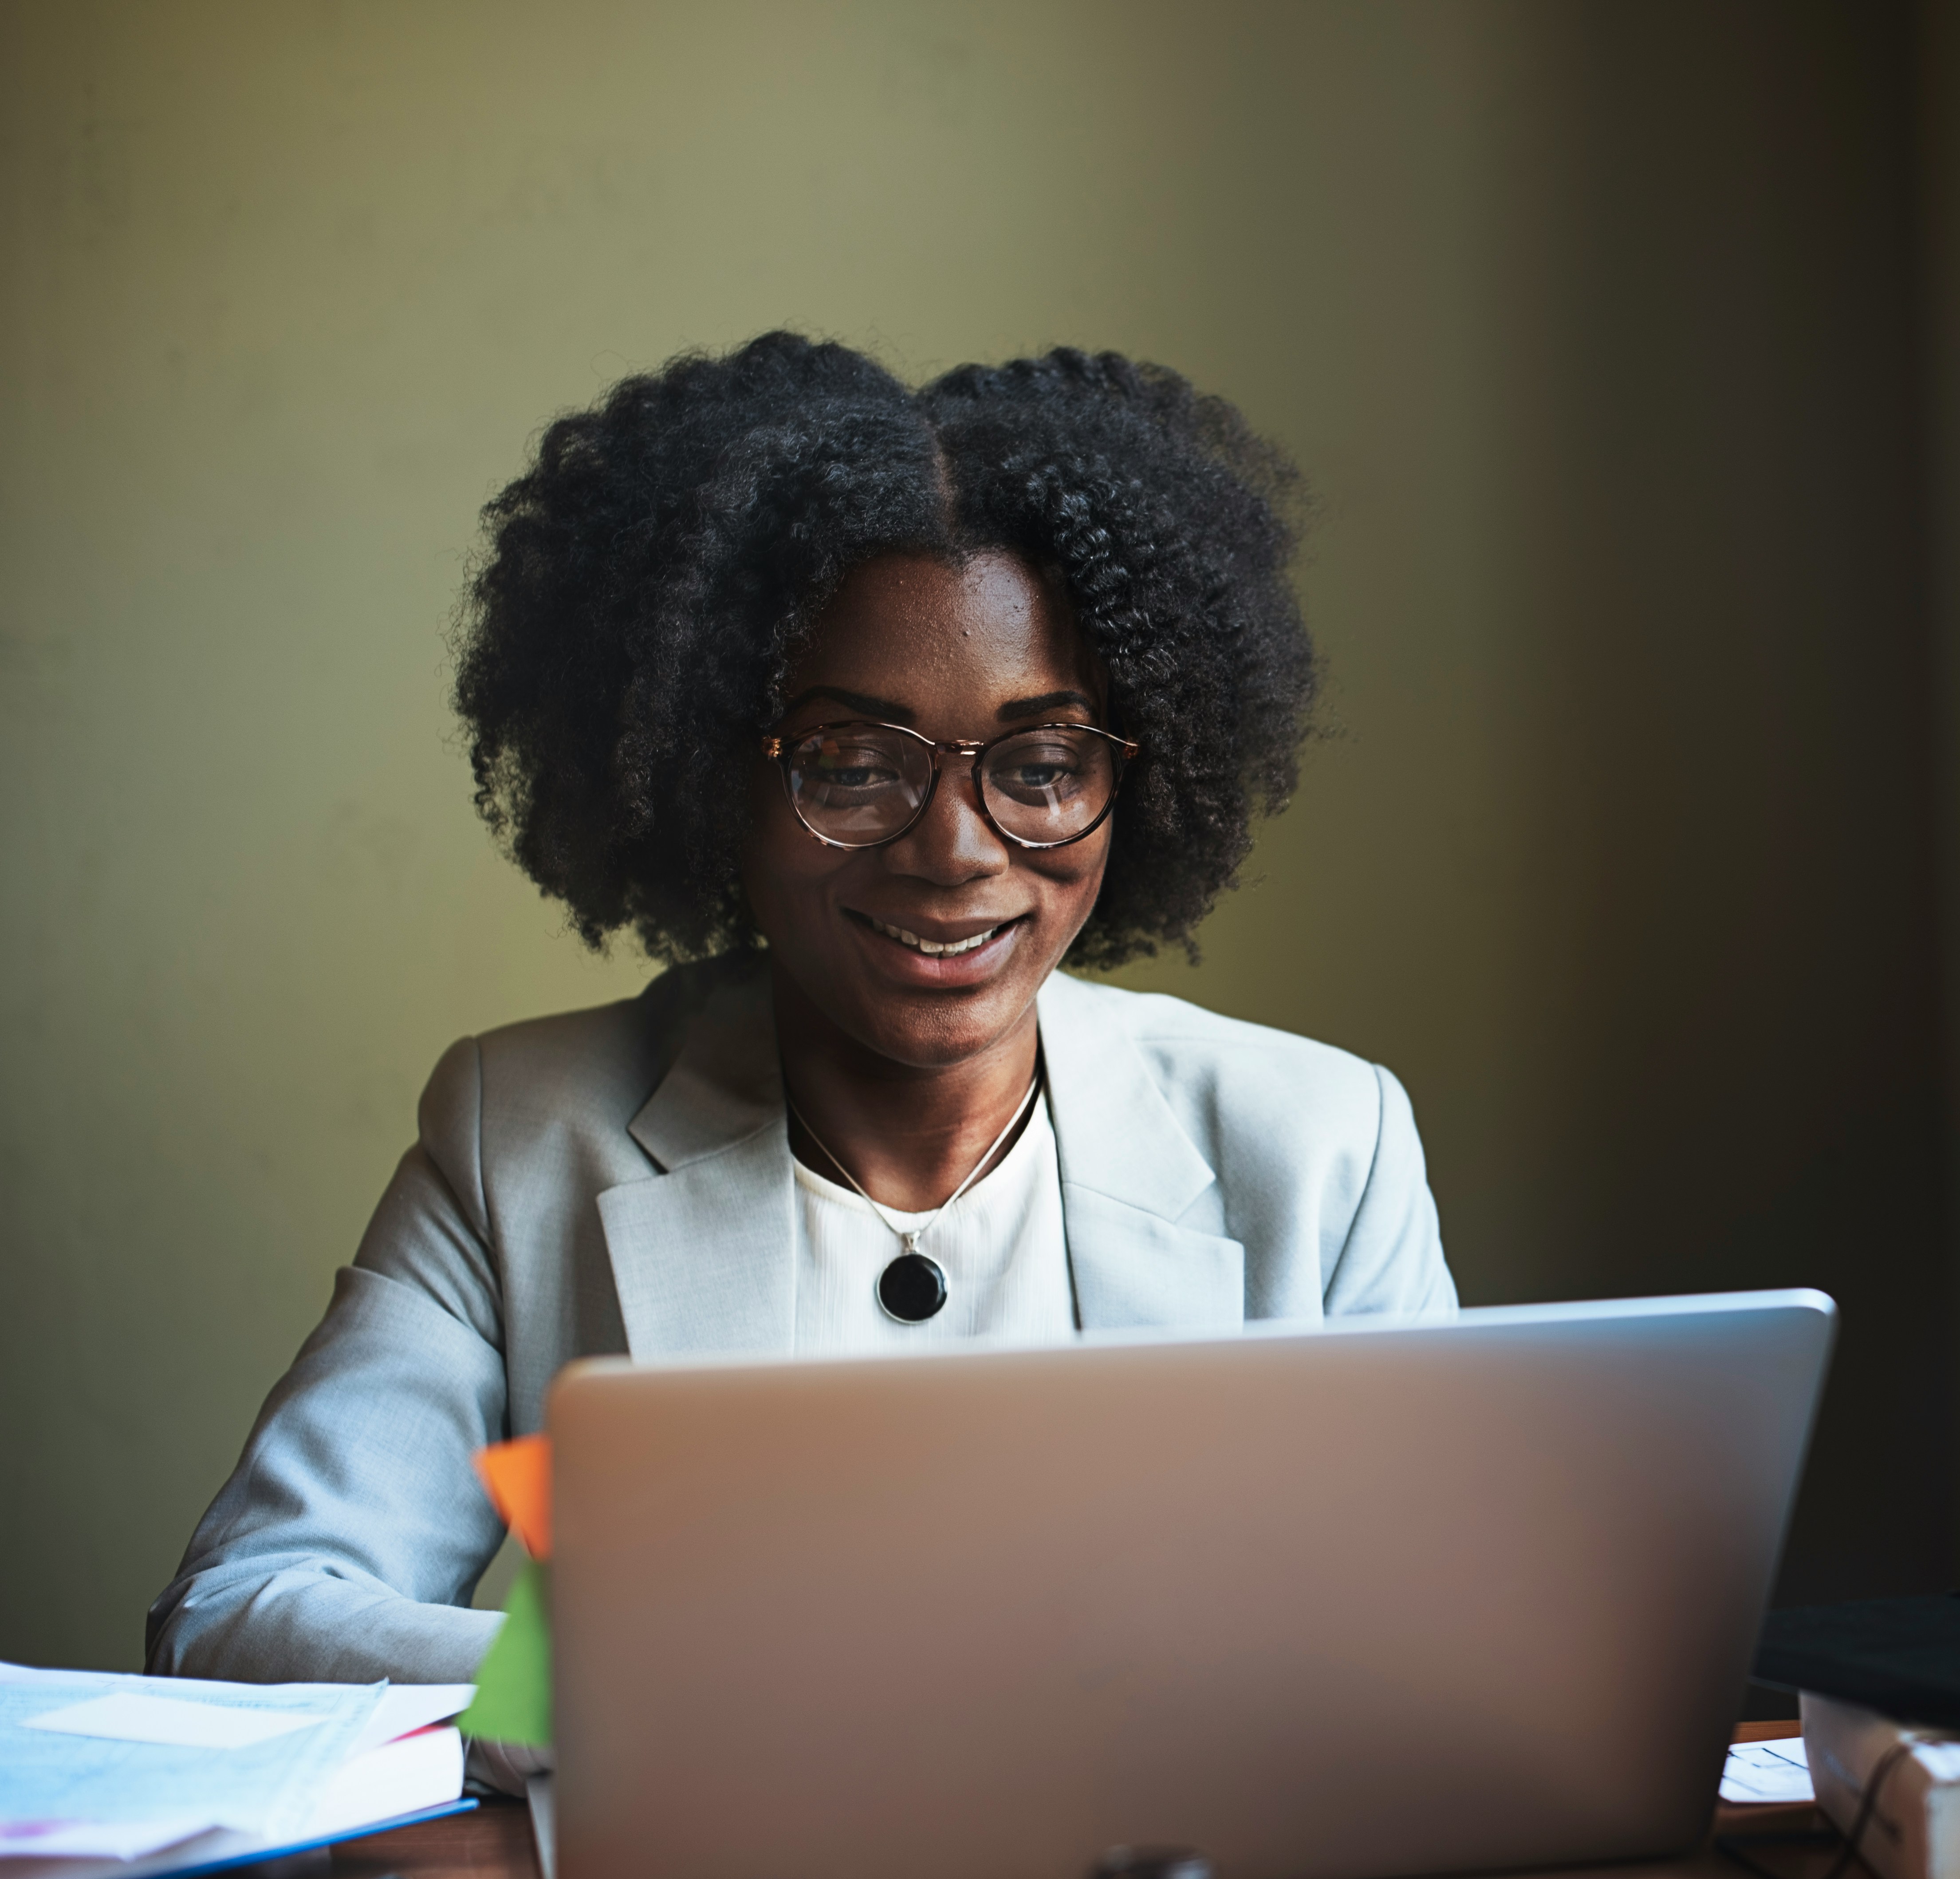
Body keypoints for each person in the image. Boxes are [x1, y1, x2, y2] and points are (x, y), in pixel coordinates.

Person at [148, 334, 1458, 1695]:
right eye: (850, 763)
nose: (956, 849)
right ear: (711, 772)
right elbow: (244, 1614)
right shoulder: (524, 1140)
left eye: (1046, 763)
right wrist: (669, 1689)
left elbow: (1452, 1622)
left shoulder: (1319, 1149)